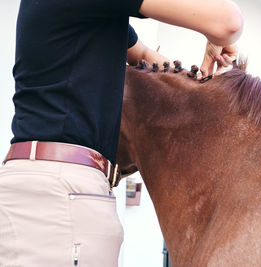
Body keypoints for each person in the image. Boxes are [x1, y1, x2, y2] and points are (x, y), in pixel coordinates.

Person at [0, 0, 243, 266]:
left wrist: (207, 54)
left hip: (46, 186)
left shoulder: (92, 15)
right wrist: (213, 37)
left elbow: (147, 58)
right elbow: (228, 22)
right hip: (61, 192)